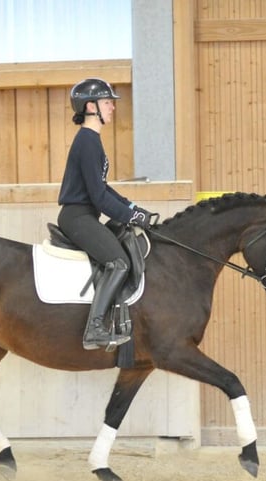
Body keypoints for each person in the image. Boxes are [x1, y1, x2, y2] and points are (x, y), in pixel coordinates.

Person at [57, 78, 154, 350]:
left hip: (84, 215)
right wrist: (131, 217)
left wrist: (133, 208)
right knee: (119, 262)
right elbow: (98, 198)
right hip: (77, 217)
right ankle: (95, 329)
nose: (112, 107)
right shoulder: (87, 142)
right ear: (91, 106)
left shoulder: (92, 141)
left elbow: (103, 189)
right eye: (108, 102)